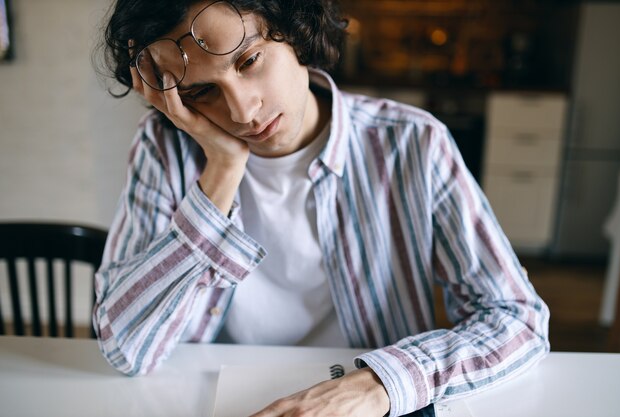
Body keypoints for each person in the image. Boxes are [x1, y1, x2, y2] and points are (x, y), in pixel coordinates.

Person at [93, 1, 550, 416]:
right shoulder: (164, 149)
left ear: (292, 30)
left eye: (249, 61)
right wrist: (222, 169)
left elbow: (517, 319)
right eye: (201, 93)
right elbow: (126, 349)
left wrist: (379, 385)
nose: (242, 111)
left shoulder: (413, 142)